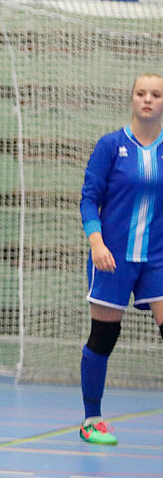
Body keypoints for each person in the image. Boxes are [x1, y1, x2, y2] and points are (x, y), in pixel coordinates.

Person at [77, 71, 163, 446]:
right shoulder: (111, 146)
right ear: (131, 99)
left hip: (157, 258)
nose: (148, 99)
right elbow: (88, 199)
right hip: (113, 257)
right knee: (104, 336)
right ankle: (91, 419)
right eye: (141, 93)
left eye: (156, 94)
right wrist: (97, 243)